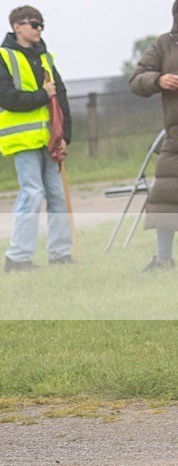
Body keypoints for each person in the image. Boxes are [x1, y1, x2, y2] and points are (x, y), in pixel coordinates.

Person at [0, 5, 74, 272]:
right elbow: (6, 97)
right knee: (33, 194)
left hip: (50, 140)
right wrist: (41, 94)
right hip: (23, 142)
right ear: (18, 27)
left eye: (41, 25)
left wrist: (65, 136)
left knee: (58, 195)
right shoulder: (3, 57)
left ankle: (60, 254)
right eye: (34, 24)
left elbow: (60, 96)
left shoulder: (45, 57)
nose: (39, 29)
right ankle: (17, 258)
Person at [129, 0, 178, 272]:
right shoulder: (164, 45)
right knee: (166, 199)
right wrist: (158, 80)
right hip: (175, 137)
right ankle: (163, 260)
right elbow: (136, 79)